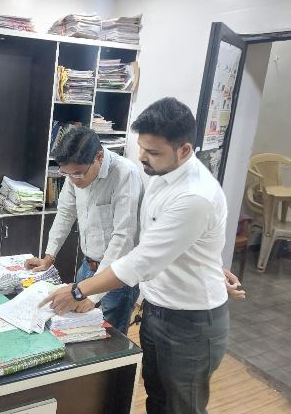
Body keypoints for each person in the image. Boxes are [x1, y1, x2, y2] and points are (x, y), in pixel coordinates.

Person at [40, 98, 231, 414]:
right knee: (157, 396)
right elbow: (157, 236)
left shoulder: (195, 196)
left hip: (190, 321)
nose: (142, 156)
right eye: (141, 147)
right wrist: (212, 264)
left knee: (182, 406)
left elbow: (140, 257)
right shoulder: (160, 176)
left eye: (152, 151)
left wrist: (79, 290)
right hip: (156, 307)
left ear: (184, 150)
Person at [25, 126, 142, 334]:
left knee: (109, 341)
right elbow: (65, 213)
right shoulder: (75, 173)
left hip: (116, 276)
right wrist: (49, 256)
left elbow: (123, 238)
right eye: (67, 174)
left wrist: (93, 295)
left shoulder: (125, 174)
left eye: (78, 174)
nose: (73, 180)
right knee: (77, 332)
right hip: (87, 267)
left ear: (99, 157)